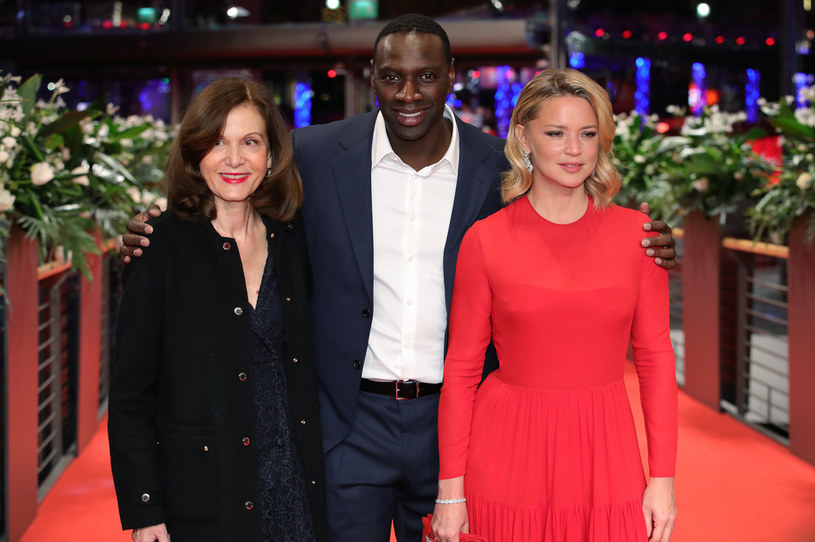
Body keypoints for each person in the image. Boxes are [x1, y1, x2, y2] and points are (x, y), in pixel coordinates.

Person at [119, 14, 677, 542]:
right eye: (393, 77)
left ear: (451, 79)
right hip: (345, 424)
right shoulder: (314, 156)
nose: (410, 94)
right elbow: (237, 195)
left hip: (459, 427)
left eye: (428, 77)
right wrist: (155, 228)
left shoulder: (501, 169)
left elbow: (567, 222)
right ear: (373, 79)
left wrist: (653, 244)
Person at [431, 68, 678, 542]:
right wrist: (450, 491)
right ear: (523, 136)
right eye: (556, 133)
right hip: (506, 450)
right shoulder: (485, 240)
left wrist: (663, 479)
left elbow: (655, 359)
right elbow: (461, 370)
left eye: (587, 134)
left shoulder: (638, 236)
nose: (574, 149)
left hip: (606, 451)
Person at [108, 78, 327, 542]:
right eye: (217, 143)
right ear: (194, 155)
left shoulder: (292, 239)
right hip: (205, 493)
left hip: (293, 483)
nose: (233, 159)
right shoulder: (159, 246)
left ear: (270, 157)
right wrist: (146, 509)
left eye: (250, 142)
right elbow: (131, 397)